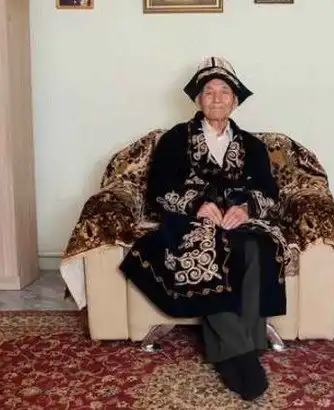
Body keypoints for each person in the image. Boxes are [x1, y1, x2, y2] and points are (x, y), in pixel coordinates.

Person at [119, 57, 290, 401]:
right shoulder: (175, 139)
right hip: (191, 220)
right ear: (198, 100)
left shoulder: (253, 146)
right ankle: (240, 355)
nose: (216, 98)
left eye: (224, 91)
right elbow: (157, 188)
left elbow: (269, 192)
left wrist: (245, 208)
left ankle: (242, 348)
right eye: (208, 91)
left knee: (257, 248)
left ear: (235, 101)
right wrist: (196, 205)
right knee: (209, 251)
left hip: (239, 221)